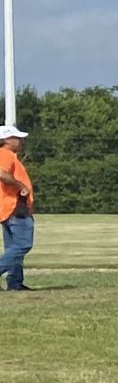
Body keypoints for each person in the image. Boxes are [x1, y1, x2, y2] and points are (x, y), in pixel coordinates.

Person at [0, 123, 32, 293]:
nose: (20, 140)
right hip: (14, 206)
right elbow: (1, 173)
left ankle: (15, 283)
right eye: (16, 137)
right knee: (23, 244)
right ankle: (14, 281)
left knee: (13, 247)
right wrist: (20, 185)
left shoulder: (9, 155)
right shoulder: (5, 154)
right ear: (5, 139)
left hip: (9, 207)